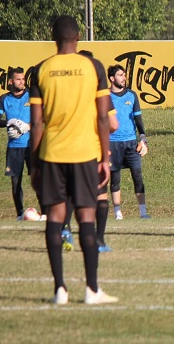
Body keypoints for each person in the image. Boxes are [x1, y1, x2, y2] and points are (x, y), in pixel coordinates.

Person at [29, 15, 118, 304]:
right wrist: (104, 157)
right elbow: (104, 116)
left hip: (52, 154)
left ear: (52, 36)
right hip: (85, 154)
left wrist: (35, 164)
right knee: (86, 217)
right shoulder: (93, 67)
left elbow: (37, 124)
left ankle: (60, 290)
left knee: (55, 219)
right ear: (78, 36)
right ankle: (92, 289)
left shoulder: (41, 70)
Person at [60, 50, 119, 253]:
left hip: (66, 147)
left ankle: (65, 228)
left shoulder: (66, 91)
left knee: (70, 191)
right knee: (100, 194)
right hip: (92, 149)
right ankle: (99, 241)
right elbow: (113, 124)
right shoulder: (99, 93)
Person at [0, 67, 44, 220]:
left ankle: (45, 213)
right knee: (15, 182)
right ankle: (19, 214)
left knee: (37, 178)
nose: (22, 82)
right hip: (14, 147)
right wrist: (9, 122)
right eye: (18, 79)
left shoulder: (31, 95)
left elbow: (43, 116)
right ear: (10, 81)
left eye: (23, 79)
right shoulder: (4, 99)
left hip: (32, 145)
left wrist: (27, 127)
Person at [107, 64, 150, 220]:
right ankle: (118, 213)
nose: (123, 78)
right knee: (115, 178)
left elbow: (138, 119)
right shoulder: (104, 96)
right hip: (112, 143)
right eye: (120, 75)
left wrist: (143, 139)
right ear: (112, 78)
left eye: (124, 75)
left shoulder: (132, 95)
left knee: (137, 176)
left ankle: (143, 212)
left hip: (131, 143)